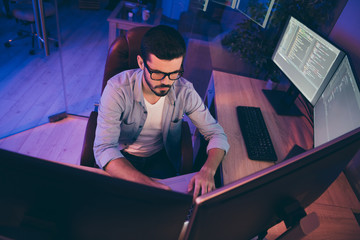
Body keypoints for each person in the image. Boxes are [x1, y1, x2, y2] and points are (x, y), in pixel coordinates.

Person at [94, 25, 229, 199]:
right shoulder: (117, 89)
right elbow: (104, 148)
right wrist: (150, 185)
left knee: (166, 213)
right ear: (141, 63)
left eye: (174, 73)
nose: (167, 82)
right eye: (157, 73)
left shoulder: (184, 90)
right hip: (122, 157)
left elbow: (216, 133)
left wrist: (208, 170)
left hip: (160, 157)